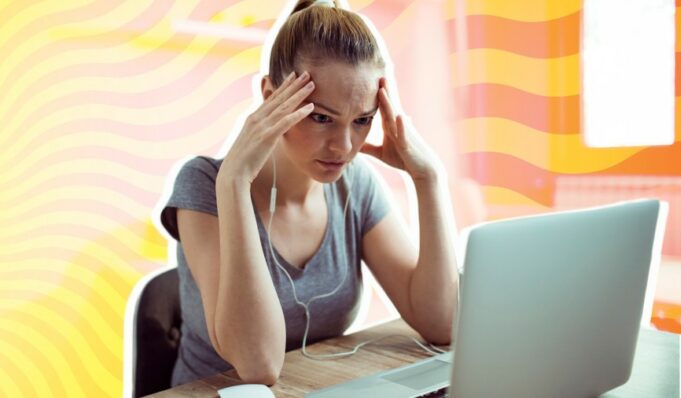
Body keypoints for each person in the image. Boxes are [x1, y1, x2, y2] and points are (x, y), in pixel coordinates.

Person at [159, 0, 458, 387]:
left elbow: (441, 322)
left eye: (362, 121)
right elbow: (258, 367)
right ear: (270, 96)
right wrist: (233, 183)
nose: (343, 147)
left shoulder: (356, 186)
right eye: (321, 118)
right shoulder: (204, 184)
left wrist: (429, 178)